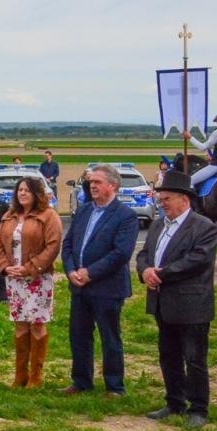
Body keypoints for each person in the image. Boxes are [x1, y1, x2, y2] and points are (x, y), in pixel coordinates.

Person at [136, 170, 217, 427]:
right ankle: (174, 402)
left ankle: (198, 409)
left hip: (192, 304)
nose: (162, 203)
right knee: (168, 355)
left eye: (167, 198)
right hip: (163, 302)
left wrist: (160, 273)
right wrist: (145, 270)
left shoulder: (204, 227)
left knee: (194, 358)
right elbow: (144, 253)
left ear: (184, 199)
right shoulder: (160, 225)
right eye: (161, 199)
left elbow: (197, 260)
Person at [59, 163, 140, 398]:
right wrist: (71, 270)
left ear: (112, 185)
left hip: (107, 287)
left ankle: (114, 386)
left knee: (109, 337)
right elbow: (68, 244)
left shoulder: (126, 216)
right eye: (91, 182)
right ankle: (81, 380)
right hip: (79, 286)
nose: (92, 186)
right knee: (79, 335)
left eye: (97, 182)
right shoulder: (84, 210)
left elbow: (121, 253)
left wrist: (89, 273)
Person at [0, 177, 63, 388]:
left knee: (37, 324)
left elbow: (52, 246)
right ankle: (20, 374)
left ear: (37, 193)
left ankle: (36, 375)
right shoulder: (9, 215)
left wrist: (29, 268)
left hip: (37, 279)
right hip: (14, 279)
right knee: (20, 324)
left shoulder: (49, 216)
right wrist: (5, 266)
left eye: (27, 190)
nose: (22, 193)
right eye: (20, 190)